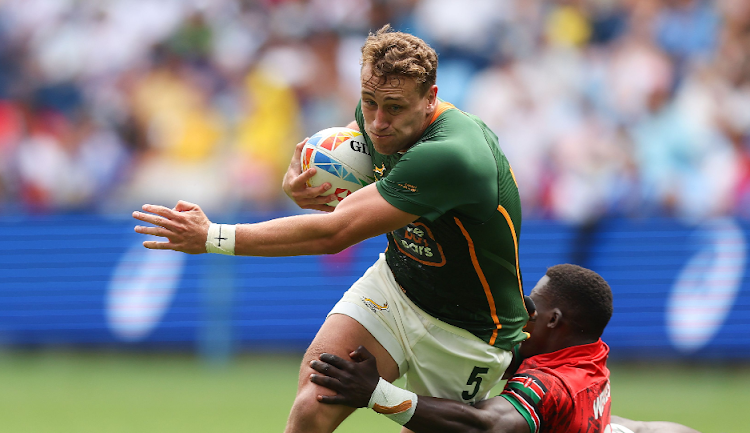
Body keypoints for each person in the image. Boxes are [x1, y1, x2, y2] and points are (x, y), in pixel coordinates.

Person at [133, 24, 527, 433]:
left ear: (430, 99)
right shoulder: (376, 120)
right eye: (369, 101)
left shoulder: (451, 155)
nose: (377, 122)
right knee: (313, 404)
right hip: (396, 287)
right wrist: (302, 174)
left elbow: (333, 233)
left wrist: (213, 237)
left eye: (394, 107)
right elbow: (345, 163)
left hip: (468, 331)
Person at [308, 264, 700, 433]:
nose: (522, 312)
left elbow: (486, 425)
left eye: (533, 307)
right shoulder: (589, 354)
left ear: (553, 321)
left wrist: (376, 393)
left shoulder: (552, 384)